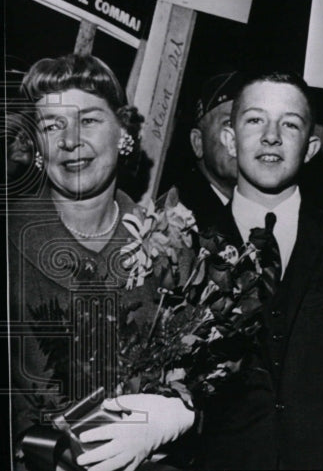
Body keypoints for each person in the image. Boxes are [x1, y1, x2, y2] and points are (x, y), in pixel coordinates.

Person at [8, 54, 195, 471]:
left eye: (89, 120)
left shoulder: (171, 246)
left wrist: (182, 415)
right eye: (52, 126)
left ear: (123, 132)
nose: (71, 140)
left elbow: (209, 379)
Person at [197, 71, 323, 469]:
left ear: (311, 147)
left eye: (290, 124)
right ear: (229, 138)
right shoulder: (188, 251)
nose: (271, 136)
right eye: (255, 120)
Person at [168, 70, 243, 227]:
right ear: (198, 142)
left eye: (249, 124)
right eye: (229, 123)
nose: (241, 138)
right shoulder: (175, 215)